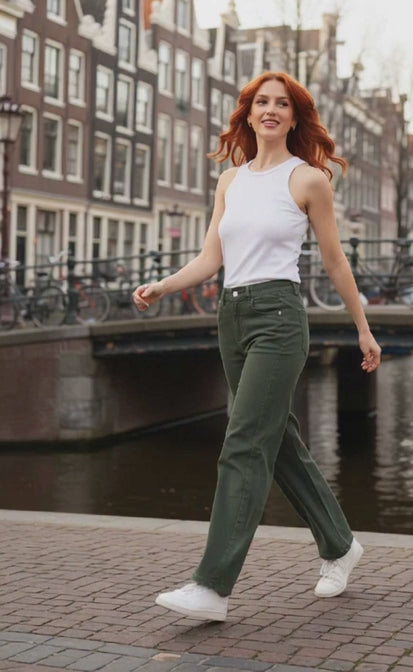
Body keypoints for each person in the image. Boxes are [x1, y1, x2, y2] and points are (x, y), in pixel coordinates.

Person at [132, 71, 381, 622]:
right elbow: (210, 259)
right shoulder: (230, 181)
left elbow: (336, 261)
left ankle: (212, 586)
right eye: (261, 102)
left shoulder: (309, 179)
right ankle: (340, 545)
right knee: (276, 437)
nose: (271, 110)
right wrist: (163, 284)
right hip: (232, 315)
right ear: (248, 113)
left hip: (278, 317)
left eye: (282, 104)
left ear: (294, 117)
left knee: (243, 440)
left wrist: (362, 326)